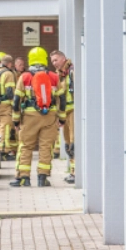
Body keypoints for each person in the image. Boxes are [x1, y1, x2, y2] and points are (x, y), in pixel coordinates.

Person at [10, 47, 62, 187]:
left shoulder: (25, 77)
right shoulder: (53, 76)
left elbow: (16, 101)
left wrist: (16, 120)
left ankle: (23, 178)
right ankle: (42, 178)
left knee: (26, 146)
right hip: (49, 116)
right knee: (46, 147)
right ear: (45, 59)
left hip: (29, 116)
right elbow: (61, 99)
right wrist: (61, 118)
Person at [52, 50, 75, 184]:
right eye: (52, 61)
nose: (54, 63)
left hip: (73, 111)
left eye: (56, 60)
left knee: (73, 142)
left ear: (63, 58)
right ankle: (73, 171)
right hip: (64, 113)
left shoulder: (71, 71)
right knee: (67, 143)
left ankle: (76, 172)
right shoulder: (58, 75)